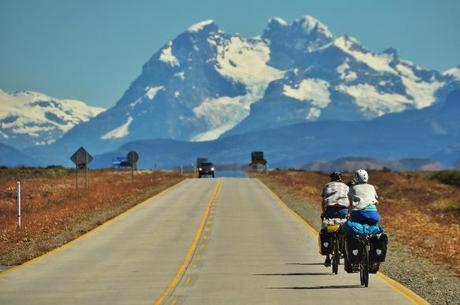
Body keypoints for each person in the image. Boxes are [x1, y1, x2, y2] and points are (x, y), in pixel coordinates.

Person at [320, 171, 350, 267]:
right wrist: (348, 213)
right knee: (345, 229)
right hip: (343, 210)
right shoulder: (346, 187)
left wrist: (324, 212)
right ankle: (344, 250)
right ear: (340, 178)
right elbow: (349, 200)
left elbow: (323, 201)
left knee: (326, 230)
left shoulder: (327, 186)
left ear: (331, 178)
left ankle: (328, 257)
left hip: (330, 210)